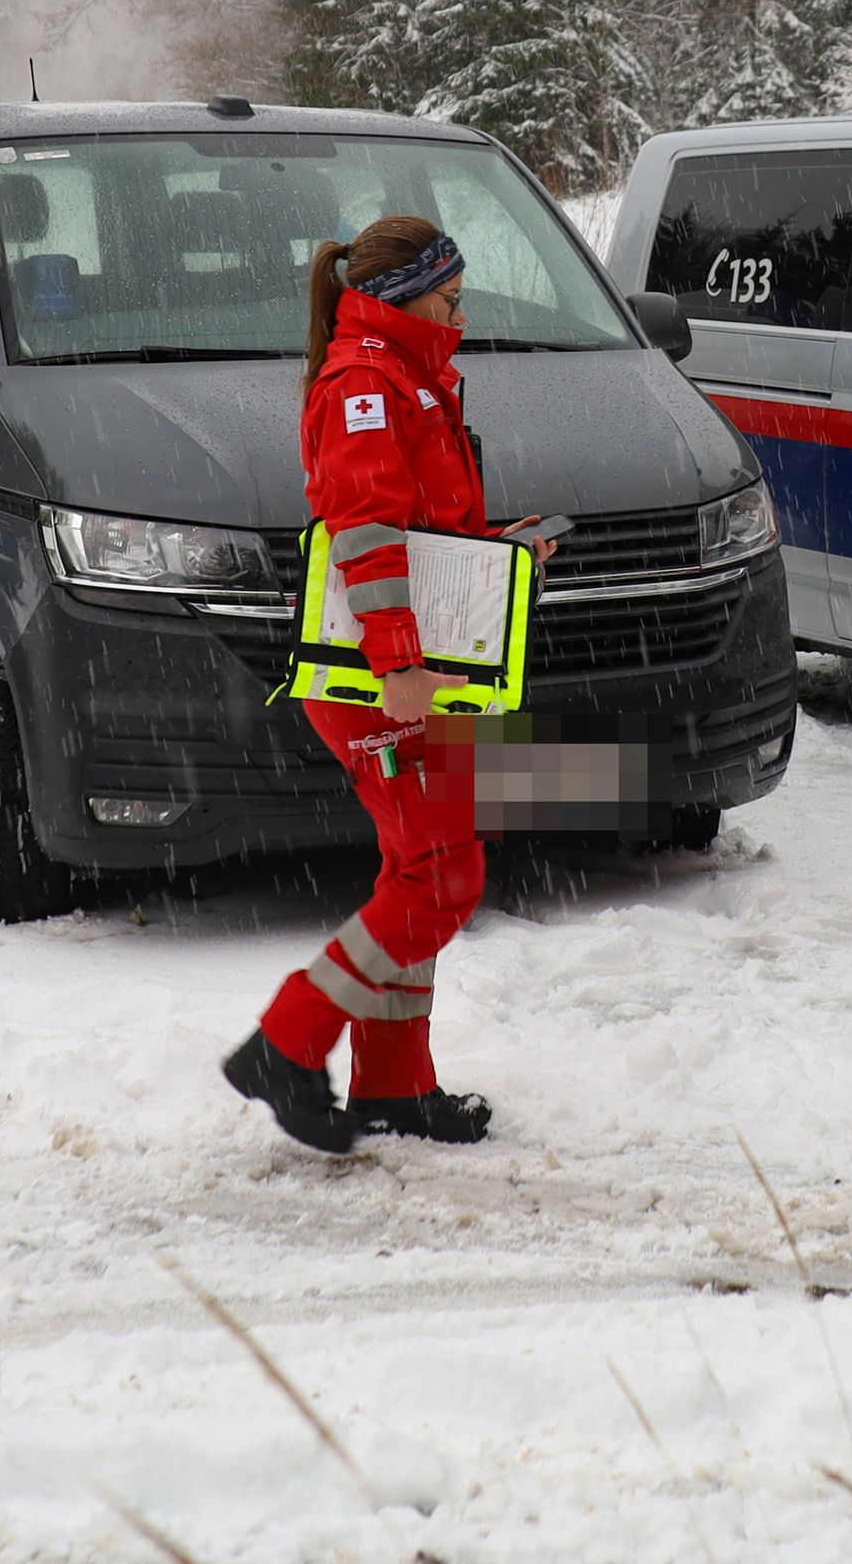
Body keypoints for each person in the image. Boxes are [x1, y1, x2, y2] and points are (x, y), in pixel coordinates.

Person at [223, 215, 543, 1153]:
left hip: (409, 674)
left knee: (420, 868)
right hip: (378, 681)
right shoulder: (368, 383)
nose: (462, 313)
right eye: (450, 297)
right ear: (405, 295)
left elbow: (418, 526)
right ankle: (287, 1039)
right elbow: (364, 532)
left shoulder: (408, 375)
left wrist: (497, 558)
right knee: (445, 876)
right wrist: (399, 662)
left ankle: (395, 1087)